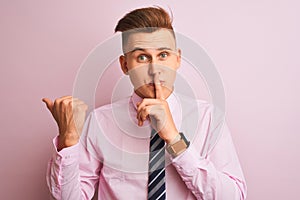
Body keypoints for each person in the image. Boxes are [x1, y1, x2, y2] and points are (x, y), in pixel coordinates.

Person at [43, 7, 247, 200]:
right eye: (142, 57)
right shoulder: (100, 122)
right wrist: (68, 141)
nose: (154, 69)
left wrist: (174, 139)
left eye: (163, 55)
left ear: (178, 59)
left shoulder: (208, 118)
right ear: (125, 65)